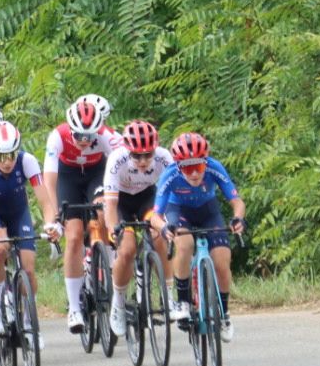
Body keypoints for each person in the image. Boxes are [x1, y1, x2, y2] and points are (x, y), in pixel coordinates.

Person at [150, 132, 247, 340]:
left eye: (199, 167)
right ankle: (183, 301)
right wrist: (165, 227)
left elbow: (236, 201)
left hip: (208, 212)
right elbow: (155, 216)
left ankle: (224, 313)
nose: (194, 173)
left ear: (206, 162)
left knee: (222, 261)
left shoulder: (214, 167)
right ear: (178, 165)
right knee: (184, 243)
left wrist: (238, 219)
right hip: (179, 212)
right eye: (187, 167)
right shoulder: (170, 174)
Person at [0, 122, 55, 339]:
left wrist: (50, 224)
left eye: (11, 155)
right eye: (1, 157)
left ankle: (29, 322)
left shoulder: (27, 161)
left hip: (18, 213)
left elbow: (45, 203)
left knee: (29, 267)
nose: (7, 162)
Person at [43, 95, 119, 333]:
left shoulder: (106, 136)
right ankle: (74, 308)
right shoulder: (58, 136)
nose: (85, 141)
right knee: (74, 236)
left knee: (103, 211)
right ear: (71, 129)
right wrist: (54, 215)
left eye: (90, 136)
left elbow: (121, 163)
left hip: (96, 173)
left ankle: (107, 259)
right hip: (68, 177)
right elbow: (49, 179)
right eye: (79, 136)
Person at [101, 120, 174, 336]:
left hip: (147, 199)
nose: (143, 161)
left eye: (147, 155)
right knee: (127, 249)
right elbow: (111, 206)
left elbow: (173, 195)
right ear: (127, 150)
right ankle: (119, 303)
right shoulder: (117, 160)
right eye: (137, 156)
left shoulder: (164, 157)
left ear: (155, 149)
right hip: (121, 202)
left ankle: (168, 295)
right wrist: (115, 231)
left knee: (160, 235)